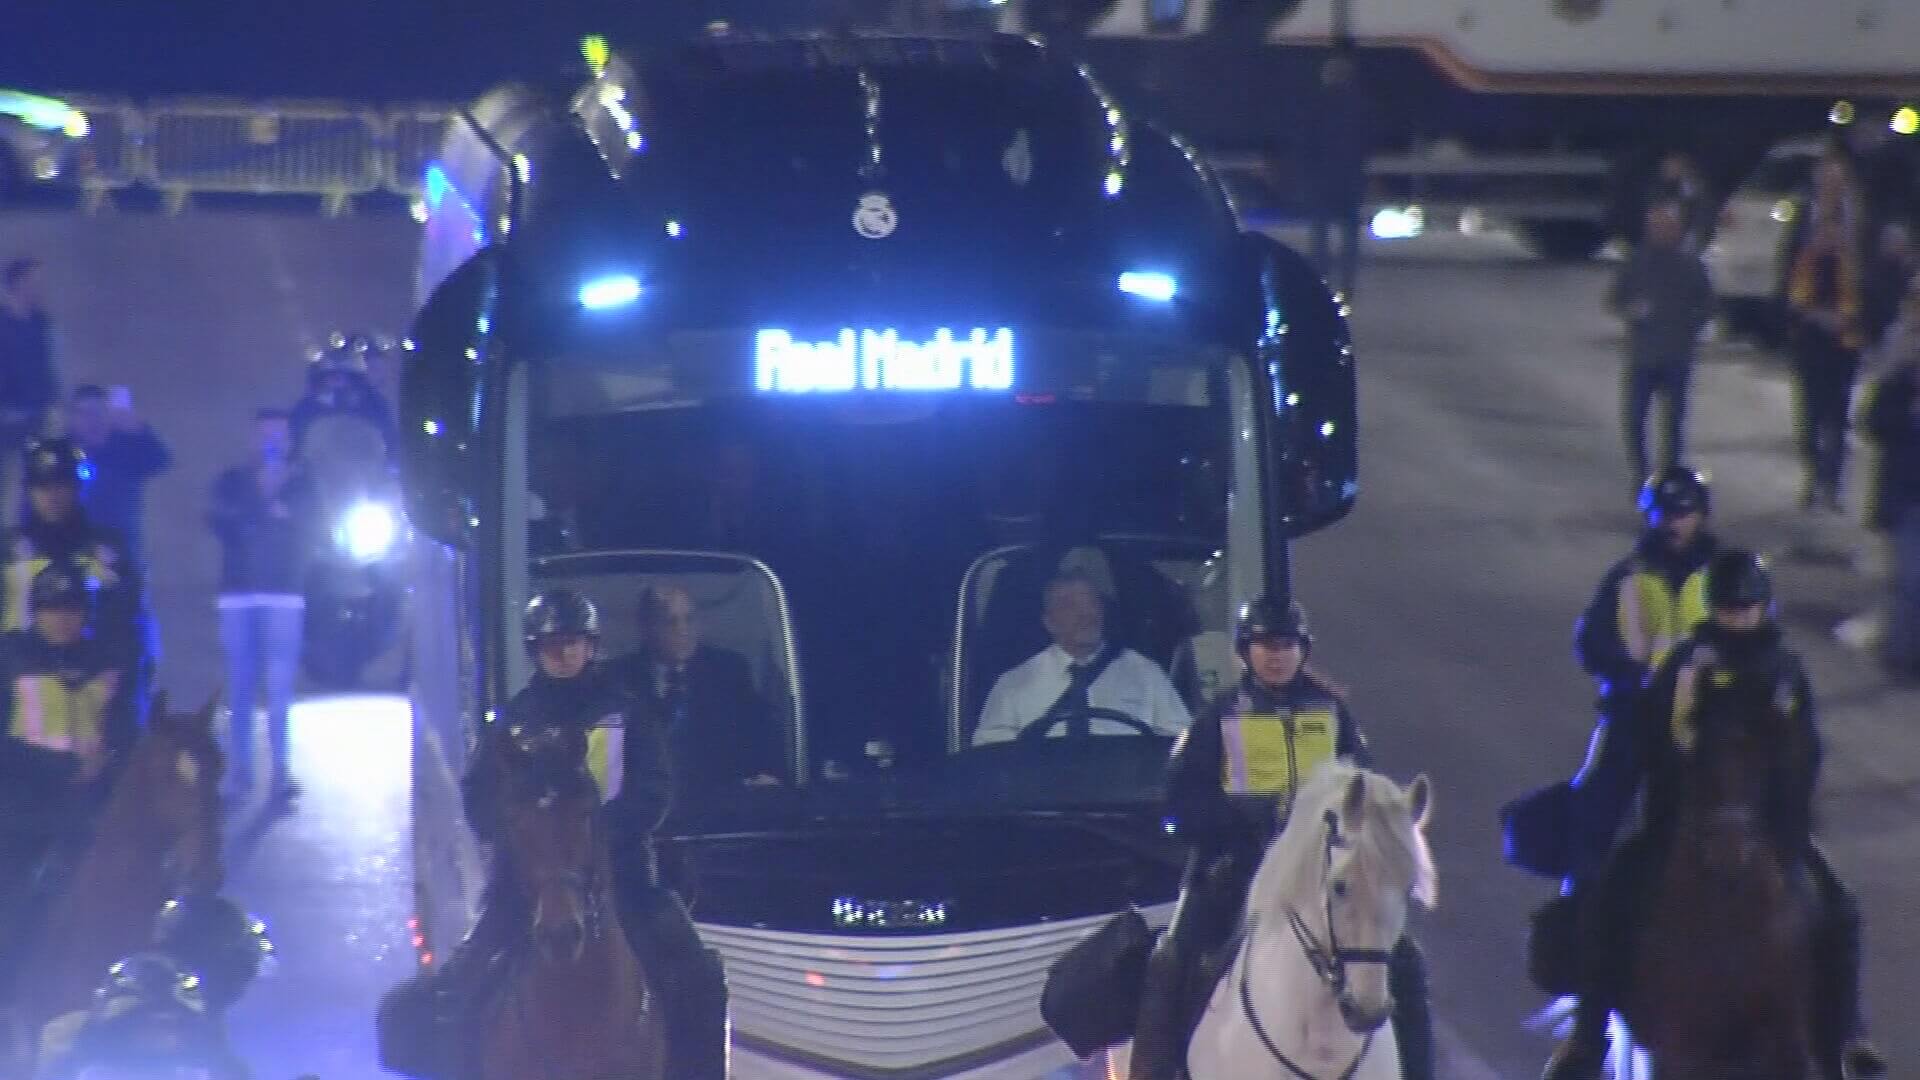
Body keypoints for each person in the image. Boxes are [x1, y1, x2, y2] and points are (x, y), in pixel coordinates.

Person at [1542, 551, 1884, 1080]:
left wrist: (1785, 808)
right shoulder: (1685, 663)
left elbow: (1807, 750)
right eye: (1728, 609)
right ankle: (1587, 1037)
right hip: (1686, 815)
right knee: (1610, 893)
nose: (1737, 618)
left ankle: (1847, 1039)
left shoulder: (1786, 672)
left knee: (1841, 908)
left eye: (1746, 609)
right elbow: (1654, 739)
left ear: (1762, 609)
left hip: (1769, 822)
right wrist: (1679, 737)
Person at [1130, 597, 1432, 1080]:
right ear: (1243, 652)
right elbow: (1177, 809)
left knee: (1406, 960)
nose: (1276, 654)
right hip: (1234, 868)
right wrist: (1241, 819)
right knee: (1171, 957)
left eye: (1287, 644)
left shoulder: (1334, 713)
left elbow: (1368, 794)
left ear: (1303, 651)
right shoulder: (1217, 717)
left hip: (1322, 870)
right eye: (1263, 644)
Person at [440, 589, 727, 1080]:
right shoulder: (514, 722)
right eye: (553, 646)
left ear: (591, 647)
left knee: (697, 973)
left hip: (623, 879)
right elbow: (478, 794)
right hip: (528, 885)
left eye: (573, 643)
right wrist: (517, 835)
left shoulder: (628, 713)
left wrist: (596, 839)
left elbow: (654, 790)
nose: (564, 654)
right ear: (537, 652)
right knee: (461, 981)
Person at [1, 437, 145, 761]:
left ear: (77, 489)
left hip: (94, 702)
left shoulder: (107, 551)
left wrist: (124, 718)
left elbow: (128, 631)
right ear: (29, 491)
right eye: (42, 486)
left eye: (61, 484)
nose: (52, 495)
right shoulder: (7, 552)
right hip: (16, 702)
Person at [208, 409, 320, 804]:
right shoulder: (233, 482)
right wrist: (264, 505)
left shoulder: (302, 484)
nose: (272, 444)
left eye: (279, 436)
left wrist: (281, 504)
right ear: (252, 439)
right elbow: (221, 522)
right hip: (239, 596)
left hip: (284, 594)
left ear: (290, 440)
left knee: (279, 687)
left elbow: (313, 524)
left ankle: (281, 772)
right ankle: (240, 773)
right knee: (240, 685)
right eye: (265, 436)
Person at [972, 570, 1191, 745]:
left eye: (1092, 602)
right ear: (1049, 622)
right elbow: (991, 756)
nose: (1086, 614)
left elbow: (1180, 743)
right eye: (1069, 605)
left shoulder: (1146, 674)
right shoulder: (1014, 685)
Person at [611, 583, 782, 793]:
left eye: (689, 619)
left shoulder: (729, 672)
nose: (682, 630)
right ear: (645, 627)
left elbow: (760, 736)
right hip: (642, 809)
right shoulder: (615, 678)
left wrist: (768, 776)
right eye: (669, 622)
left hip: (720, 807)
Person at [1608, 204, 1717, 487]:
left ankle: (1670, 475)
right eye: (1654, 227)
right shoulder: (1636, 261)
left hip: (1676, 356)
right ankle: (1640, 474)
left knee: (1674, 425)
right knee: (1635, 421)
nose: (1659, 232)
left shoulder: (1691, 265)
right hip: (1642, 356)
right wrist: (1631, 310)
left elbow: (1707, 304)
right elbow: (1614, 299)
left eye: (1666, 227)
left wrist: (1691, 328)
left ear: (1678, 230)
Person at [1786, 150, 1869, 512]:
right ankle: (1813, 473)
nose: (1831, 187)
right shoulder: (1803, 216)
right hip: (1809, 329)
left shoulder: (1860, 221)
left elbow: (1872, 277)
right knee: (1809, 412)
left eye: (1837, 180)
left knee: (1839, 412)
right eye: (1825, 180)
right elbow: (1786, 266)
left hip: (1845, 333)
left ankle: (1832, 484)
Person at [35, 952, 248, 1080]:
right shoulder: (83, 1064)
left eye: (174, 1023)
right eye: (151, 1021)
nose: (165, 1031)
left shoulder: (211, 1069)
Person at [66, 384, 172, 568]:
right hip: (70, 552)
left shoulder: (126, 452)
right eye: (84, 413)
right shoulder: (61, 453)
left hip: (122, 554)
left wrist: (136, 427)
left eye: (98, 412)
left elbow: (159, 460)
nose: (92, 420)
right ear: (73, 418)